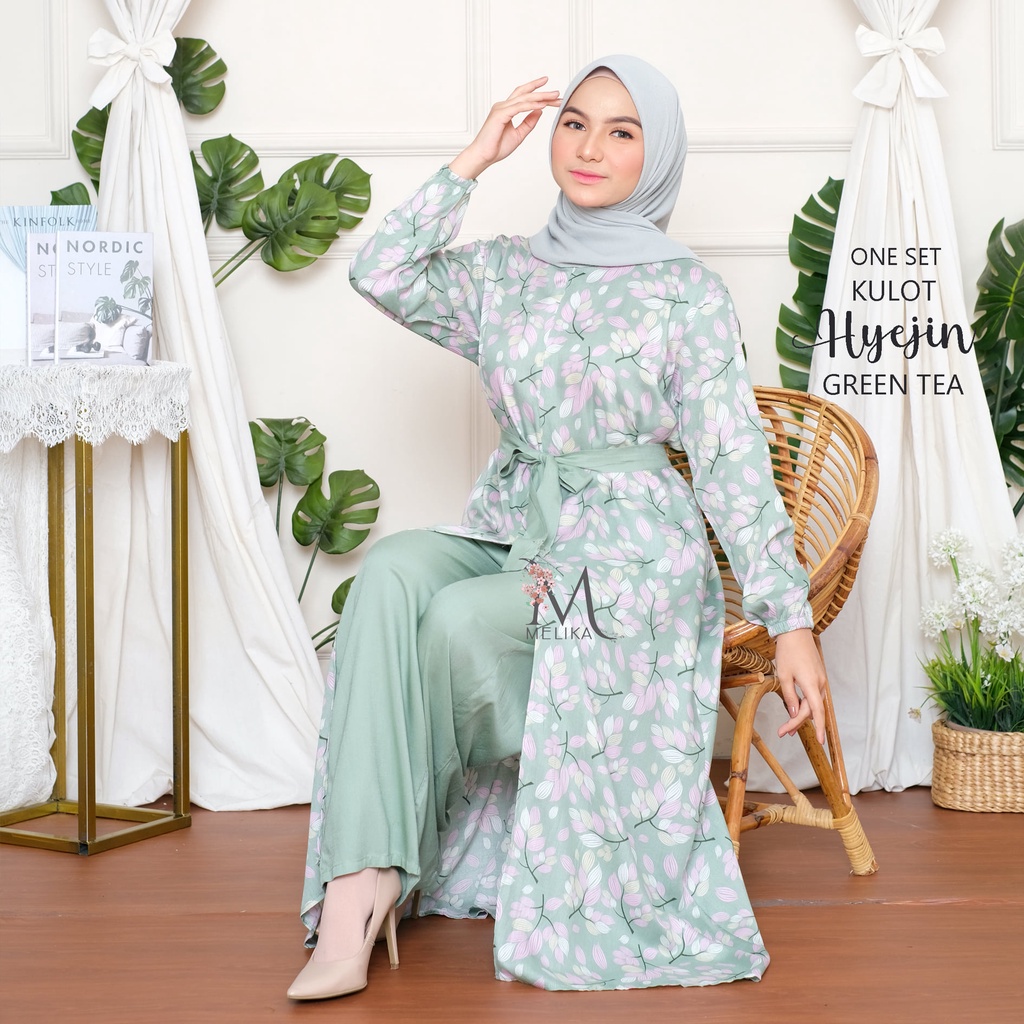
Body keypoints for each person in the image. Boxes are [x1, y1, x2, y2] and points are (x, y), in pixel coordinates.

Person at [288, 54, 827, 1000]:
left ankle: (384, 867)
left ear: (656, 155)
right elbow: (381, 271)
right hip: (517, 526)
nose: (589, 147)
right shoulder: (505, 271)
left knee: (459, 622)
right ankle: (356, 886)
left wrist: (790, 620)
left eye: (622, 132)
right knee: (389, 577)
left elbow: (733, 458)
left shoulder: (686, 292)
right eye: (575, 123)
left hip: (629, 556)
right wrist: (476, 157)